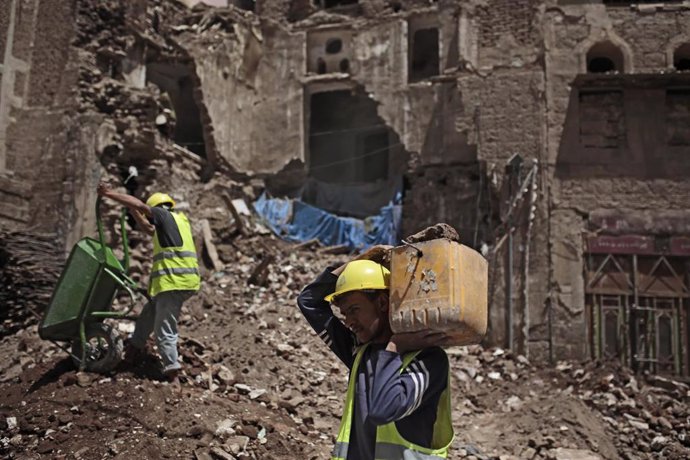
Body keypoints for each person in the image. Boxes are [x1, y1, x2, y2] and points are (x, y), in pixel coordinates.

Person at [297, 246, 455, 460]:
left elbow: (383, 410)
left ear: (382, 303)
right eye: (344, 315)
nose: (349, 322)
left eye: (354, 310)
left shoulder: (428, 360)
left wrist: (395, 348)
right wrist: (356, 264)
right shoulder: (360, 351)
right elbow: (308, 301)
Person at [97, 183, 200, 384]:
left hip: (174, 283)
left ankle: (173, 374)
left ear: (158, 209)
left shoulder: (162, 215)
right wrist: (132, 210)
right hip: (177, 283)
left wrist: (109, 194)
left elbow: (143, 207)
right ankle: (134, 349)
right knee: (148, 315)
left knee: (164, 329)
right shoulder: (176, 222)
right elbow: (147, 228)